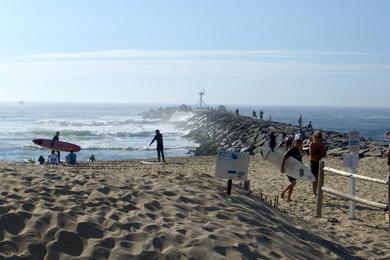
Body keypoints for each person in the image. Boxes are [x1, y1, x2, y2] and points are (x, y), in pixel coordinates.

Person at [309, 131, 327, 196]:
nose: (318, 139)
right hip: (313, 163)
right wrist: (320, 155)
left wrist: (319, 156)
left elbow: (324, 154)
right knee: (314, 179)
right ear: (314, 137)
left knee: (320, 179)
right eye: (316, 137)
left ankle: (319, 191)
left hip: (320, 162)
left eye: (319, 138)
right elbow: (312, 156)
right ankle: (314, 192)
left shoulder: (322, 144)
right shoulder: (312, 144)